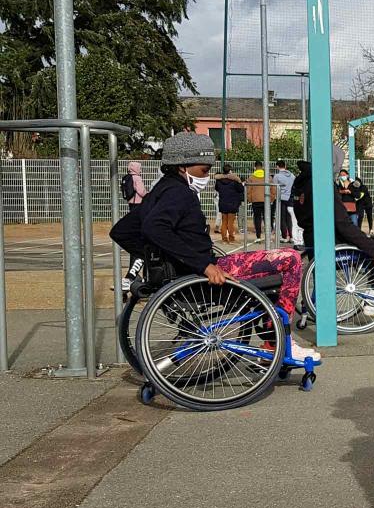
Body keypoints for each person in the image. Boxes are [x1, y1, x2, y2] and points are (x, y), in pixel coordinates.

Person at [112, 133, 318, 361]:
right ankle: (276, 340)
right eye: (204, 170)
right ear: (182, 166)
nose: (207, 176)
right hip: (202, 275)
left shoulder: (161, 190)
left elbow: (122, 231)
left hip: (188, 274)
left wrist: (158, 257)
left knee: (277, 262)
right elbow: (155, 228)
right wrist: (203, 266)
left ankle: (274, 334)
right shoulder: (179, 193)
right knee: (290, 259)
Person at [291, 146, 374, 272]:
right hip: (336, 246)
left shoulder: (302, 184)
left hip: (313, 244)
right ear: (334, 163)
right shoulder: (323, 184)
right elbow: (343, 224)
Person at [213, 164, 244, 244]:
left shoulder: (219, 180)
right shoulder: (235, 180)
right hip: (232, 203)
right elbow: (241, 189)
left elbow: (217, 188)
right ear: (230, 171)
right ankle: (231, 238)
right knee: (230, 221)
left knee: (224, 221)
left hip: (223, 202)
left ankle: (224, 239)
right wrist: (239, 181)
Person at [274, 159, 298, 245]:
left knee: (282, 218)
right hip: (290, 198)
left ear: (277, 166)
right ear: (285, 166)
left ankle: (285, 236)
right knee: (290, 218)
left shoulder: (277, 176)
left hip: (281, 198)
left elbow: (274, 188)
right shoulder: (292, 175)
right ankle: (291, 236)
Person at [247, 161, 267, 241]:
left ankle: (258, 236)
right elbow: (273, 189)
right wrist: (271, 199)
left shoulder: (251, 177)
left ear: (255, 167)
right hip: (266, 199)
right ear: (262, 167)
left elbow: (249, 190)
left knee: (257, 218)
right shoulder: (267, 176)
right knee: (267, 218)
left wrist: (250, 199)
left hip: (255, 200)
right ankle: (267, 236)